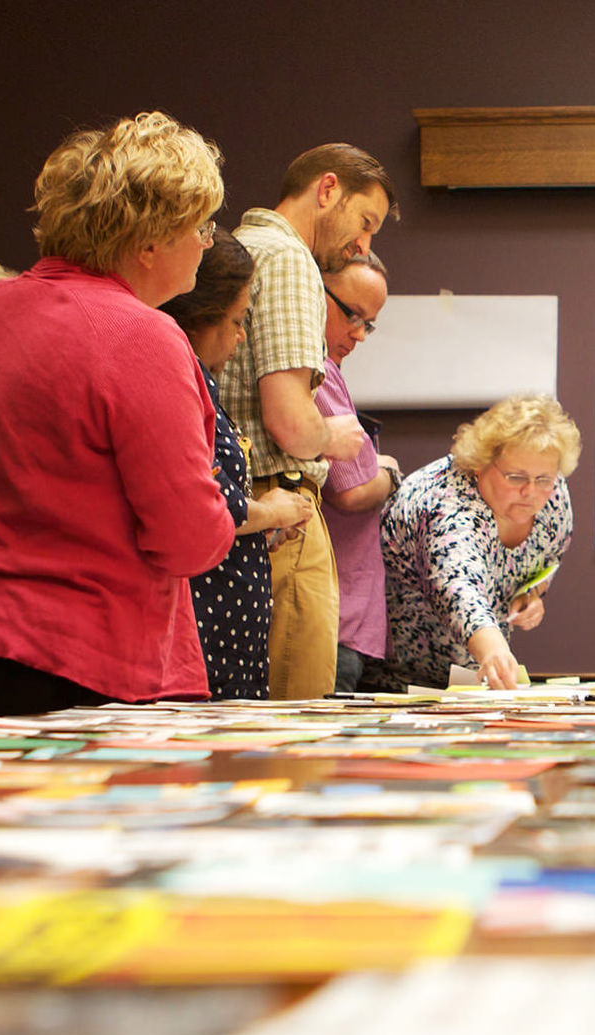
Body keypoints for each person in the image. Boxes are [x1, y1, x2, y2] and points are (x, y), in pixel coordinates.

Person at [0, 111, 234, 715]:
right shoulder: (141, 336)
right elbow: (187, 539)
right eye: (201, 225)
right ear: (148, 244)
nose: (207, 241)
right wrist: (216, 508)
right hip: (85, 667)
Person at [219, 143, 398, 699]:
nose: (361, 246)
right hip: (282, 507)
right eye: (364, 223)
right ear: (326, 191)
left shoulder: (240, 245)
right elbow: (291, 423)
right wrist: (335, 436)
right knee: (295, 716)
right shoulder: (291, 257)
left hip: (240, 509)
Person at [161, 229, 313, 699]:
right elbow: (211, 502)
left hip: (228, 624)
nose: (241, 334)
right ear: (202, 319)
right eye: (237, 320)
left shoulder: (199, 382)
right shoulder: (181, 380)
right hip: (210, 628)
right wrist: (275, 511)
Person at [365, 395, 580, 692]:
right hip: (400, 684)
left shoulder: (552, 495)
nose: (531, 491)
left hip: (470, 683)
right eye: (516, 477)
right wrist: (493, 649)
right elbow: (456, 585)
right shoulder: (444, 502)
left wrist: (531, 593)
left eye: (544, 478)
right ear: (481, 464)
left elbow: (547, 559)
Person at [314, 252, 401, 692]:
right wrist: (389, 472)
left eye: (368, 323)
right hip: (335, 622)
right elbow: (350, 492)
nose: (358, 334)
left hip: (348, 621)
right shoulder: (316, 368)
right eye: (351, 313)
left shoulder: (332, 369)